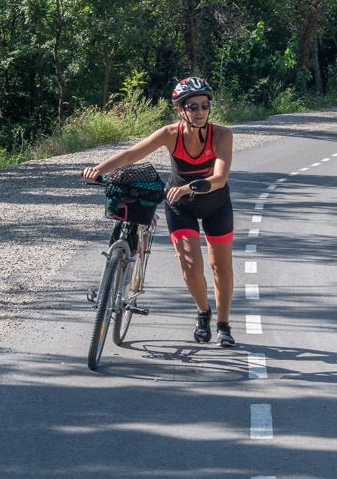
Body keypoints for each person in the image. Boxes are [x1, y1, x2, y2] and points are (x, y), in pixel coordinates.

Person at [82, 77, 236, 347]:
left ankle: (223, 325)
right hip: (180, 205)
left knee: (220, 268)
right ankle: (203, 312)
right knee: (191, 267)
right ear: (180, 110)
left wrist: (189, 187)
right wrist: (99, 169)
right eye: (192, 107)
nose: (200, 112)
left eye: (204, 106)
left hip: (215, 204)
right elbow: (131, 154)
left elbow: (220, 178)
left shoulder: (222, 134)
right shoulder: (170, 134)